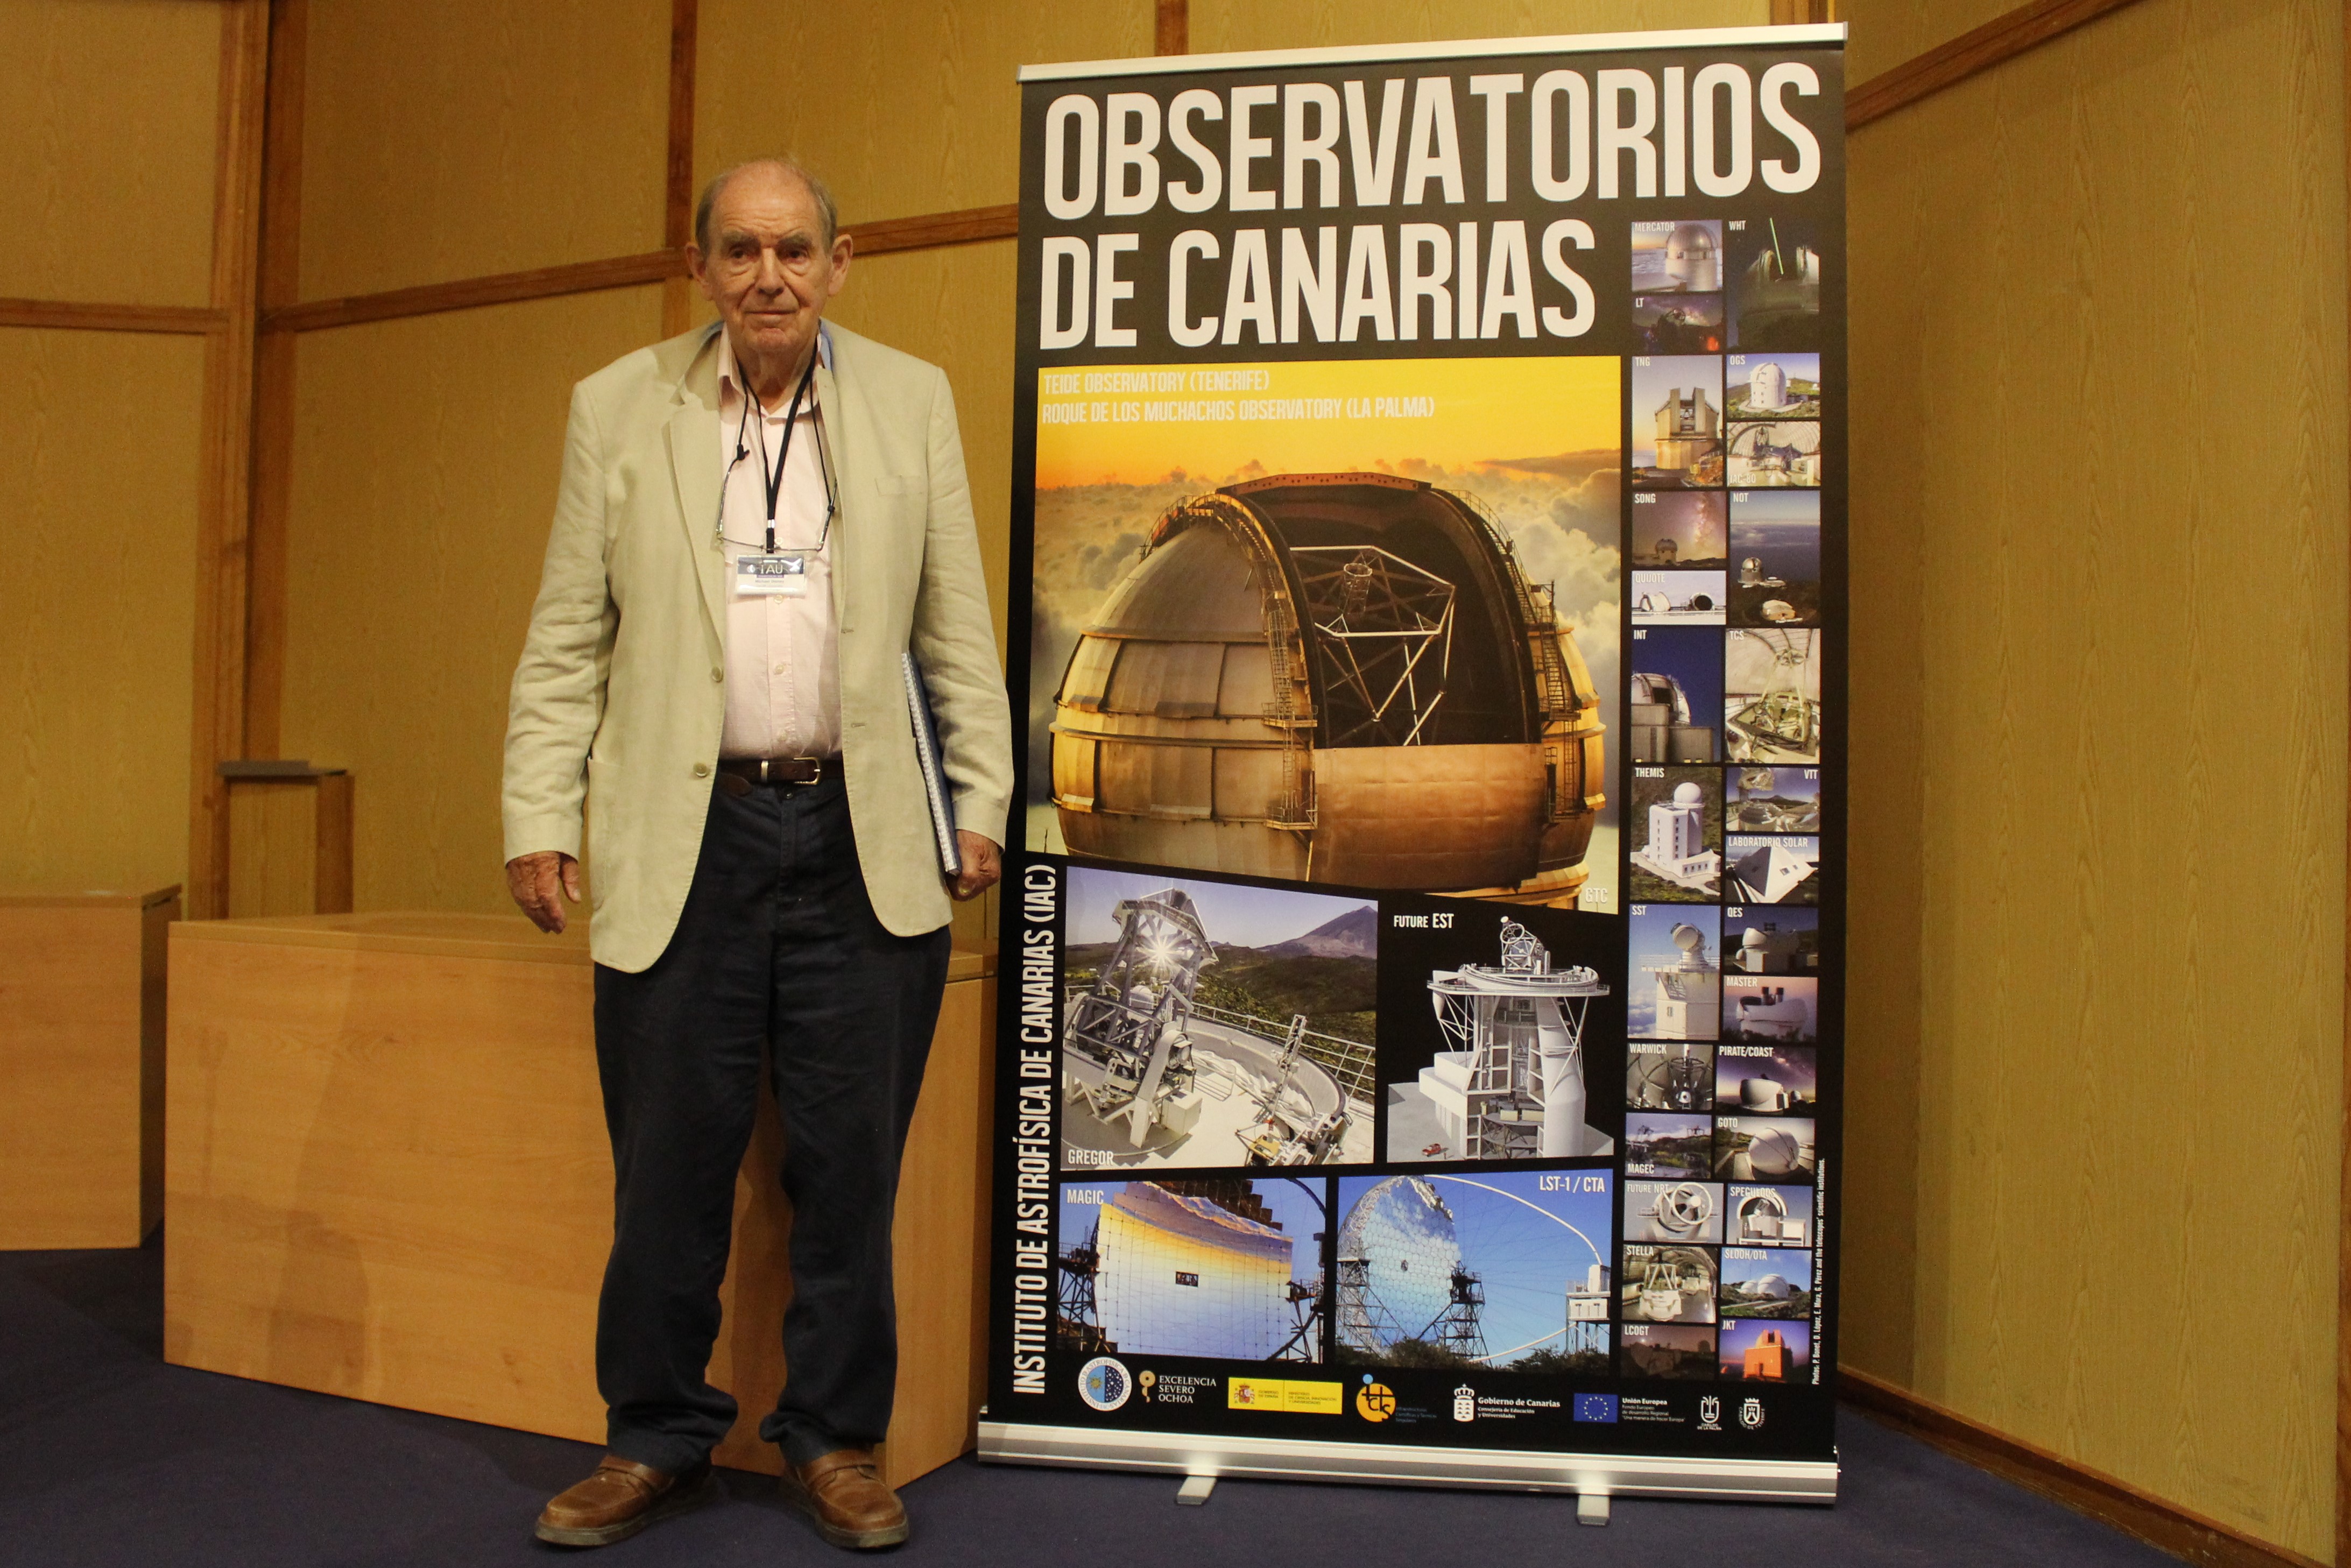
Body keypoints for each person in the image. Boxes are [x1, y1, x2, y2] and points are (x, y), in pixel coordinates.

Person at [500, 156, 1011, 1551]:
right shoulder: (619, 406)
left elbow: (955, 626)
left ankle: (835, 1441)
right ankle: (653, 1437)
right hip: (690, 835)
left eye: (794, 249)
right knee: (667, 1170)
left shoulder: (910, 399)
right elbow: (567, 637)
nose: (768, 275)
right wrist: (538, 814)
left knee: (849, 1172)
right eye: (741, 249)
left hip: (863, 834)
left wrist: (980, 797)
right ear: (702, 266)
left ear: (840, 263)